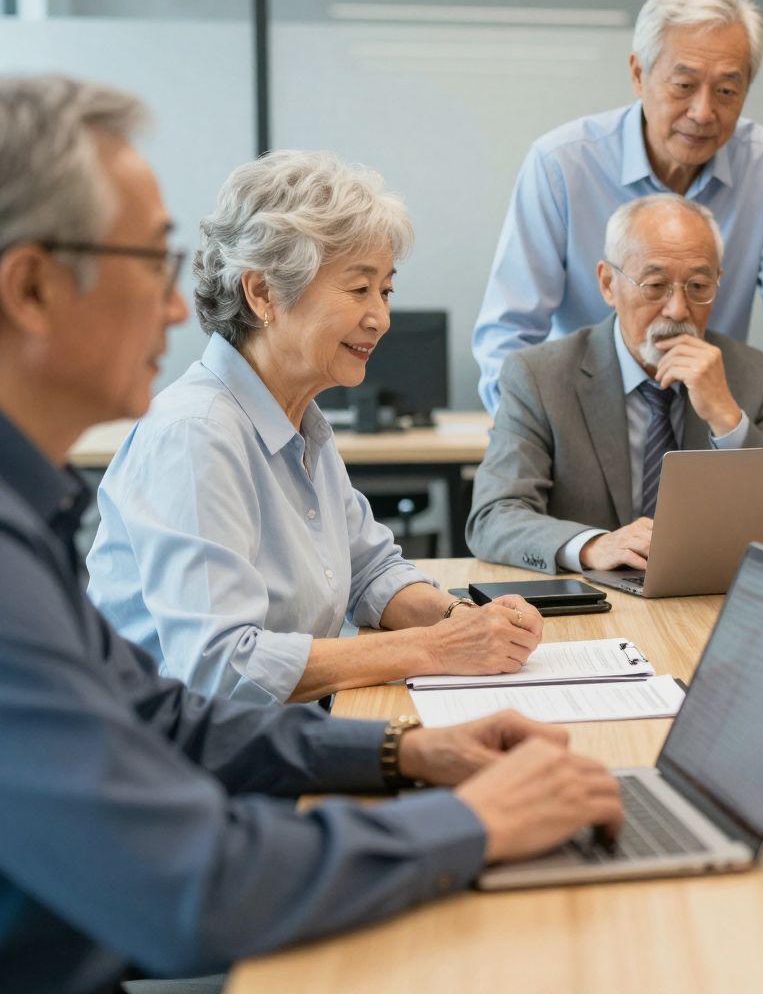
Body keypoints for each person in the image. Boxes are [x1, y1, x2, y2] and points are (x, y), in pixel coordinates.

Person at [0, 74, 622, 994]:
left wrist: (401, 752)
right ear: (34, 287)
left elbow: (166, 715)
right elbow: (197, 872)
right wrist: (469, 815)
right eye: (150, 265)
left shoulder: (287, 428)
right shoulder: (185, 437)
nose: (177, 310)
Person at [88, 150, 547, 705]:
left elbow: (370, 571)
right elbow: (223, 666)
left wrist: (463, 618)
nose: (381, 316)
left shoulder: (300, 418)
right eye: (359, 289)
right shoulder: (196, 434)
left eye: (386, 290)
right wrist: (437, 648)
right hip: (183, 764)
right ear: (262, 293)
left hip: (282, 734)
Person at [473, 0, 763, 450]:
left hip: (702, 427)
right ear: (638, 74)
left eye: (727, 91)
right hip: (583, 436)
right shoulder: (562, 165)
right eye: (684, 85)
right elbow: (509, 333)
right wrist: (529, 445)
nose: (703, 112)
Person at [467, 192, 763, 574]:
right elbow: (494, 516)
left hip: (709, 599)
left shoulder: (753, 374)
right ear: (608, 283)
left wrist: (727, 419)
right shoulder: (539, 375)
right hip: (593, 602)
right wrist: (593, 546)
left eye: (698, 287)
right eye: (655, 286)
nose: (678, 310)